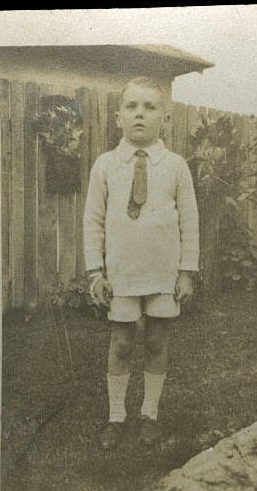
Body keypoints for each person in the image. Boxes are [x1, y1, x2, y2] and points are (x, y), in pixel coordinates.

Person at [83, 76, 199, 450]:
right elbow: (93, 221)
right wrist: (95, 272)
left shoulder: (176, 166)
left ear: (165, 119)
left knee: (156, 340)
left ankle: (149, 413)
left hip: (163, 272)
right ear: (118, 117)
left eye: (150, 108)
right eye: (132, 107)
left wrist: (186, 271)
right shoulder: (105, 165)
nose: (140, 115)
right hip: (122, 273)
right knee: (120, 342)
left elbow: (189, 221)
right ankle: (116, 416)